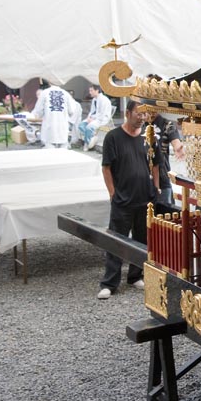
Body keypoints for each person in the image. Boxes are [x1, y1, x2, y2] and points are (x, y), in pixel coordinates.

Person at [98, 100, 161, 299]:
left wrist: (156, 187)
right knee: (116, 240)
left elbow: (156, 163)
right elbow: (106, 167)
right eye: (138, 113)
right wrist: (112, 193)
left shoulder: (149, 137)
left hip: (145, 197)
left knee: (143, 239)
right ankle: (110, 282)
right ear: (127, 113)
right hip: (123, 198)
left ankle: (135, 275)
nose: (142, 118)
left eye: (145, 114)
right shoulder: (113, 137)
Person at [146, 112, 185, 211]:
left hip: (162, 176)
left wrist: (177, 147)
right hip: (142, 177)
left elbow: (175, 139)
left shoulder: (166, 124)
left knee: (163, 214)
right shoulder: (139, 124)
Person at [29, 80, 80, 148]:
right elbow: (72, 111)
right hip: (62, 130)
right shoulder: (66, 94)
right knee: (62, 154)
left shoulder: (44, 93)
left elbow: (38, 112)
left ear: (49, 82)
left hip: (49, 131)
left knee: (50, 155)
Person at [76, 85, 114, 151]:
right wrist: (89, 118)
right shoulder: (94, 99)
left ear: (97, 91)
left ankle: (87, 143)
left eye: (91, 90)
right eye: (89, 91)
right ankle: (92, 138)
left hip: (102, 119)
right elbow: (92, 111)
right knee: (81, 125)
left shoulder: (104, 100)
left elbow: (102, 114)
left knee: (89, 127)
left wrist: (92, 119)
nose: (90, 92)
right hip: (94, 118)